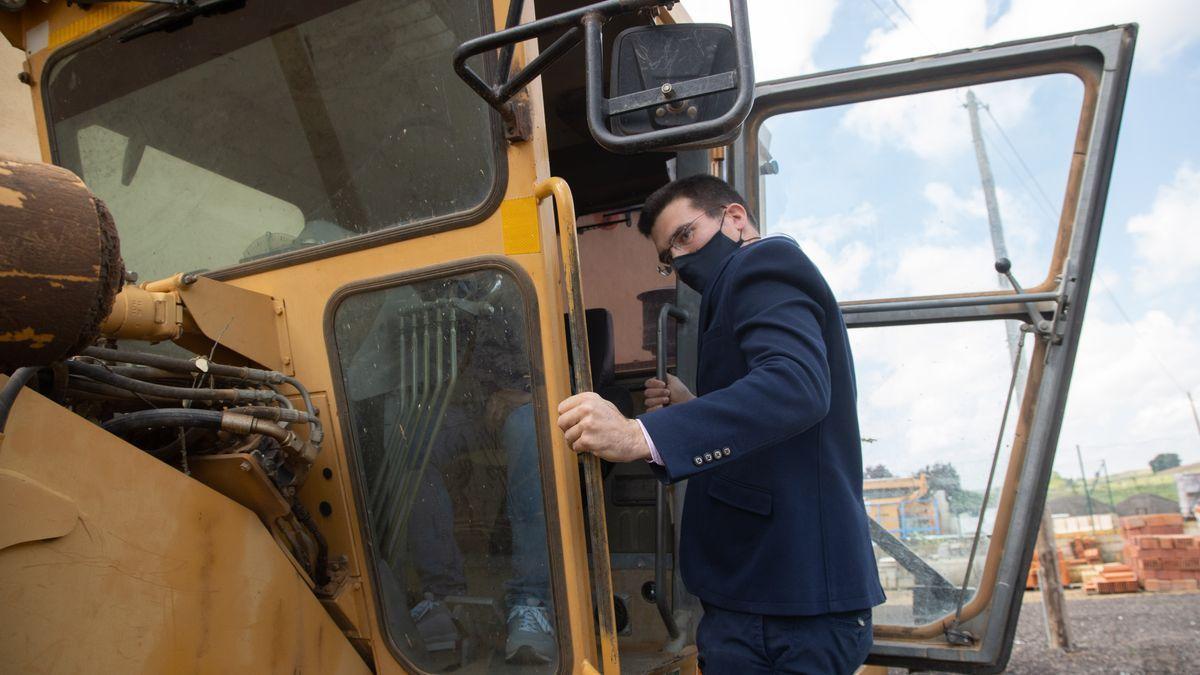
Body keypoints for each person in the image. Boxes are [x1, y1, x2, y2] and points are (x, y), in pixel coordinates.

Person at [557, 175, 884, 674]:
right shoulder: (737, 283)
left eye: (685, 236)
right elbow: (771, 414)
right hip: (761, 595)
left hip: (788, 603)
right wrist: (695, 404)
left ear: (734, 217)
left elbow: (794, 386)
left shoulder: (762, 262)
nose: (681, 262)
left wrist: (637, 434)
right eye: (669, 255)